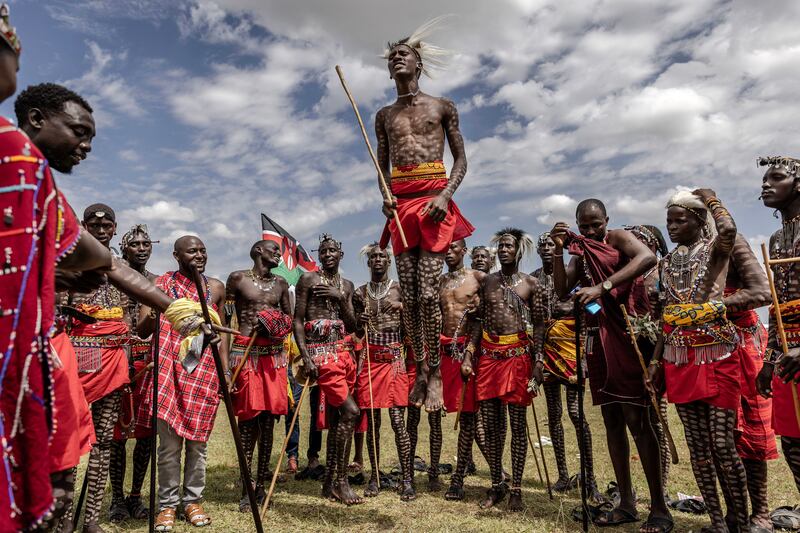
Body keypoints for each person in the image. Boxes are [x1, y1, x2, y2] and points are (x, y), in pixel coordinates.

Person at [550, 200, 672, 532]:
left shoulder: (618, 239)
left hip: (628, 336)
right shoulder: (580, 254)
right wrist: (560, 252)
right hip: (598, 339)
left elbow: (647, 257)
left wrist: (603, 286)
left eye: (594, 225)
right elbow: (562, 290)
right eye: (583, 226)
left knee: (637, 418)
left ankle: (660, 507)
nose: (589, 231)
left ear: (606, 220)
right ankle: (627, 503)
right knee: (612, 420)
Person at [376, 20, 474, 414]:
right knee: (412, 294)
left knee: (431, 293)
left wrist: (445, 195)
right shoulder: (384, 115)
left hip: (434, 199)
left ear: (418, 63)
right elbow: (382, 166)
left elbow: (462, 159)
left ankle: (433, 371)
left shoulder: (443, 106)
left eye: (404, 53)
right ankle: (419, 366)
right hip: (400, 204)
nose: (397, 58)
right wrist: (385, 195)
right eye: (392, 56)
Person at [649, 189, 747, 532]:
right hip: (678, 359)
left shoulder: (715, 251)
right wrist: (656, 361)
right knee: (699, 448)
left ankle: (739, 520)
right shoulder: (666, 262)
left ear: (698, 220)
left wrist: (712, 200)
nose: (673, 227)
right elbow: (666, 315)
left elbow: (729, 232)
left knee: (722, 443)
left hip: (717, 355)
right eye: (669, 221)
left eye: (680, 220)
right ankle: (717, 522)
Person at [138, 236, 229, 530]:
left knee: (198, 446)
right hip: (168, 371)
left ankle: (191, 501)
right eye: (192, 251)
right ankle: (166, 505)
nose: (199, 255)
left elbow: (223, 333)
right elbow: (142, 330)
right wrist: (156, 313)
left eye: (203, 250)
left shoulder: (214, 287)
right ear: (176, 255)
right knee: (168, 448)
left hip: (203, 372)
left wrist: (225, 371)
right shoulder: (161, 285)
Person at [58, 204, 134, 533]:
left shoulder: (120, 268)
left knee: (104, 442)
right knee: (70, 440)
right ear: (85, 227)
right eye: (94, 223)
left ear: (115, 228)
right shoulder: (72, 265)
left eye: (107, 224)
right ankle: (63, 518)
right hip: (75, 360)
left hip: (115, 362)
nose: (101, 228)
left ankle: (90, 519)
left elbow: (130, 319)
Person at [468, 228, 545, 512]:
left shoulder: (531, 284)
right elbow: (477, 321)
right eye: (500, 246)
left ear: (518, 251)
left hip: (518, 358)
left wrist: (538, 360)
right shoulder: (487, 282)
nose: (503, 250)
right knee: (492, 426)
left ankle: (516, 489)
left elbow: (538, 324)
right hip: (489, 358)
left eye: (508, 246)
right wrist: (469, 352)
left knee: (517, 426)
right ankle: (497, 483)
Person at [533, 232, 601, 502]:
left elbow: (594, 309)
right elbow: (536, 321)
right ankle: (563, 474)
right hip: (547, 353)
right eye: (544, 245)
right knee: (554, 414)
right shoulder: (535, 278)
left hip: (574, 351)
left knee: (576, 414)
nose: (547, 248)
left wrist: (586, 350)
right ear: (538, 250)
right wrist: (537, 357)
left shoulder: (575, 274)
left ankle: (589, 477)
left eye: (552, 244)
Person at [293, 234, 361, 505]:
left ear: (341, 254)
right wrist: (305, 356)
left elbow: (354, 325)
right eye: (323, 251)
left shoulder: (347, 284)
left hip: (344, 355)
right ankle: (341, 482)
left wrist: (341, 297)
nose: (328, 254)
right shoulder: (308, 279)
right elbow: (297, 320)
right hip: (321, 357)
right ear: (319, 255)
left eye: (333, 250)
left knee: (336, 420)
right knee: (351, 412)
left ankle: (329, 482)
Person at [226, 240, 292, 511]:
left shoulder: (280, 284)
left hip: (273, 358)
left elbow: (289, 319)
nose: (278, 254)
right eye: (273, 250)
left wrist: (275, 325)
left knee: (268, 423)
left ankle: (262, 486)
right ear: (257, 252)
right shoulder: (238, 278)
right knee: (247, 423)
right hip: (245, 354)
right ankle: (246, 487)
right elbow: (225, 319)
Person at [352, 243, 415, 500]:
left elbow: (413, 326)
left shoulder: (400, 289)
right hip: (371, 361)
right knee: (373, 423)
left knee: (398, 421)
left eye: (382, 256)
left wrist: (403, 309)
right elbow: (356, 331)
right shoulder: (360, 293)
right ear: (368, 263)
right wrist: (360, 322)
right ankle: (375, 477)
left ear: (388, 261)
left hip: (394, 362)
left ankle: (408, 479)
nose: (377, 260)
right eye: (373, 257)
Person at [108, 224, 158, 522]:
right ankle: (116, 499)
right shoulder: (114, 278)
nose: (142, 248)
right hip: (118, 362)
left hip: (149, 364)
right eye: (135, 244)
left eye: (146, 243)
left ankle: (136, 496)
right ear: (124, 248)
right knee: (117, 436)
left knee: (146, 436)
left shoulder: (156, 281)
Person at [758, 156, 800, 511]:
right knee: (792, 439)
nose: (766, 185)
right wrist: (768, 361)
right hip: (786, 350)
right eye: (764, 179)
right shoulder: (774, 240)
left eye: (777, 177)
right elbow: (776, 308)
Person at [626, 224, 673, 500]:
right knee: (639, 421)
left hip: (656, 350)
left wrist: (656, 357)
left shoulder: (662, 272)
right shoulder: (627, 274)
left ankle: (663, 487)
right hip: (631, 351)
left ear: (653, 245)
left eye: (641, 239)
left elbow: (666, 316)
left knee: (658, 417)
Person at [438, 240, 484, 501]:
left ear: (464, 251)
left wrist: (469, 354)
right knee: (438, 415)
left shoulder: (478, 277)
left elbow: (480, 319)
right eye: (445, 247)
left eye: (453, 247)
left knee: (468, 417)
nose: (448, 251)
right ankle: (435, 469)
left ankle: (458, 478)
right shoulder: (441, 281)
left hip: (467, 353)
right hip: (444, 353)